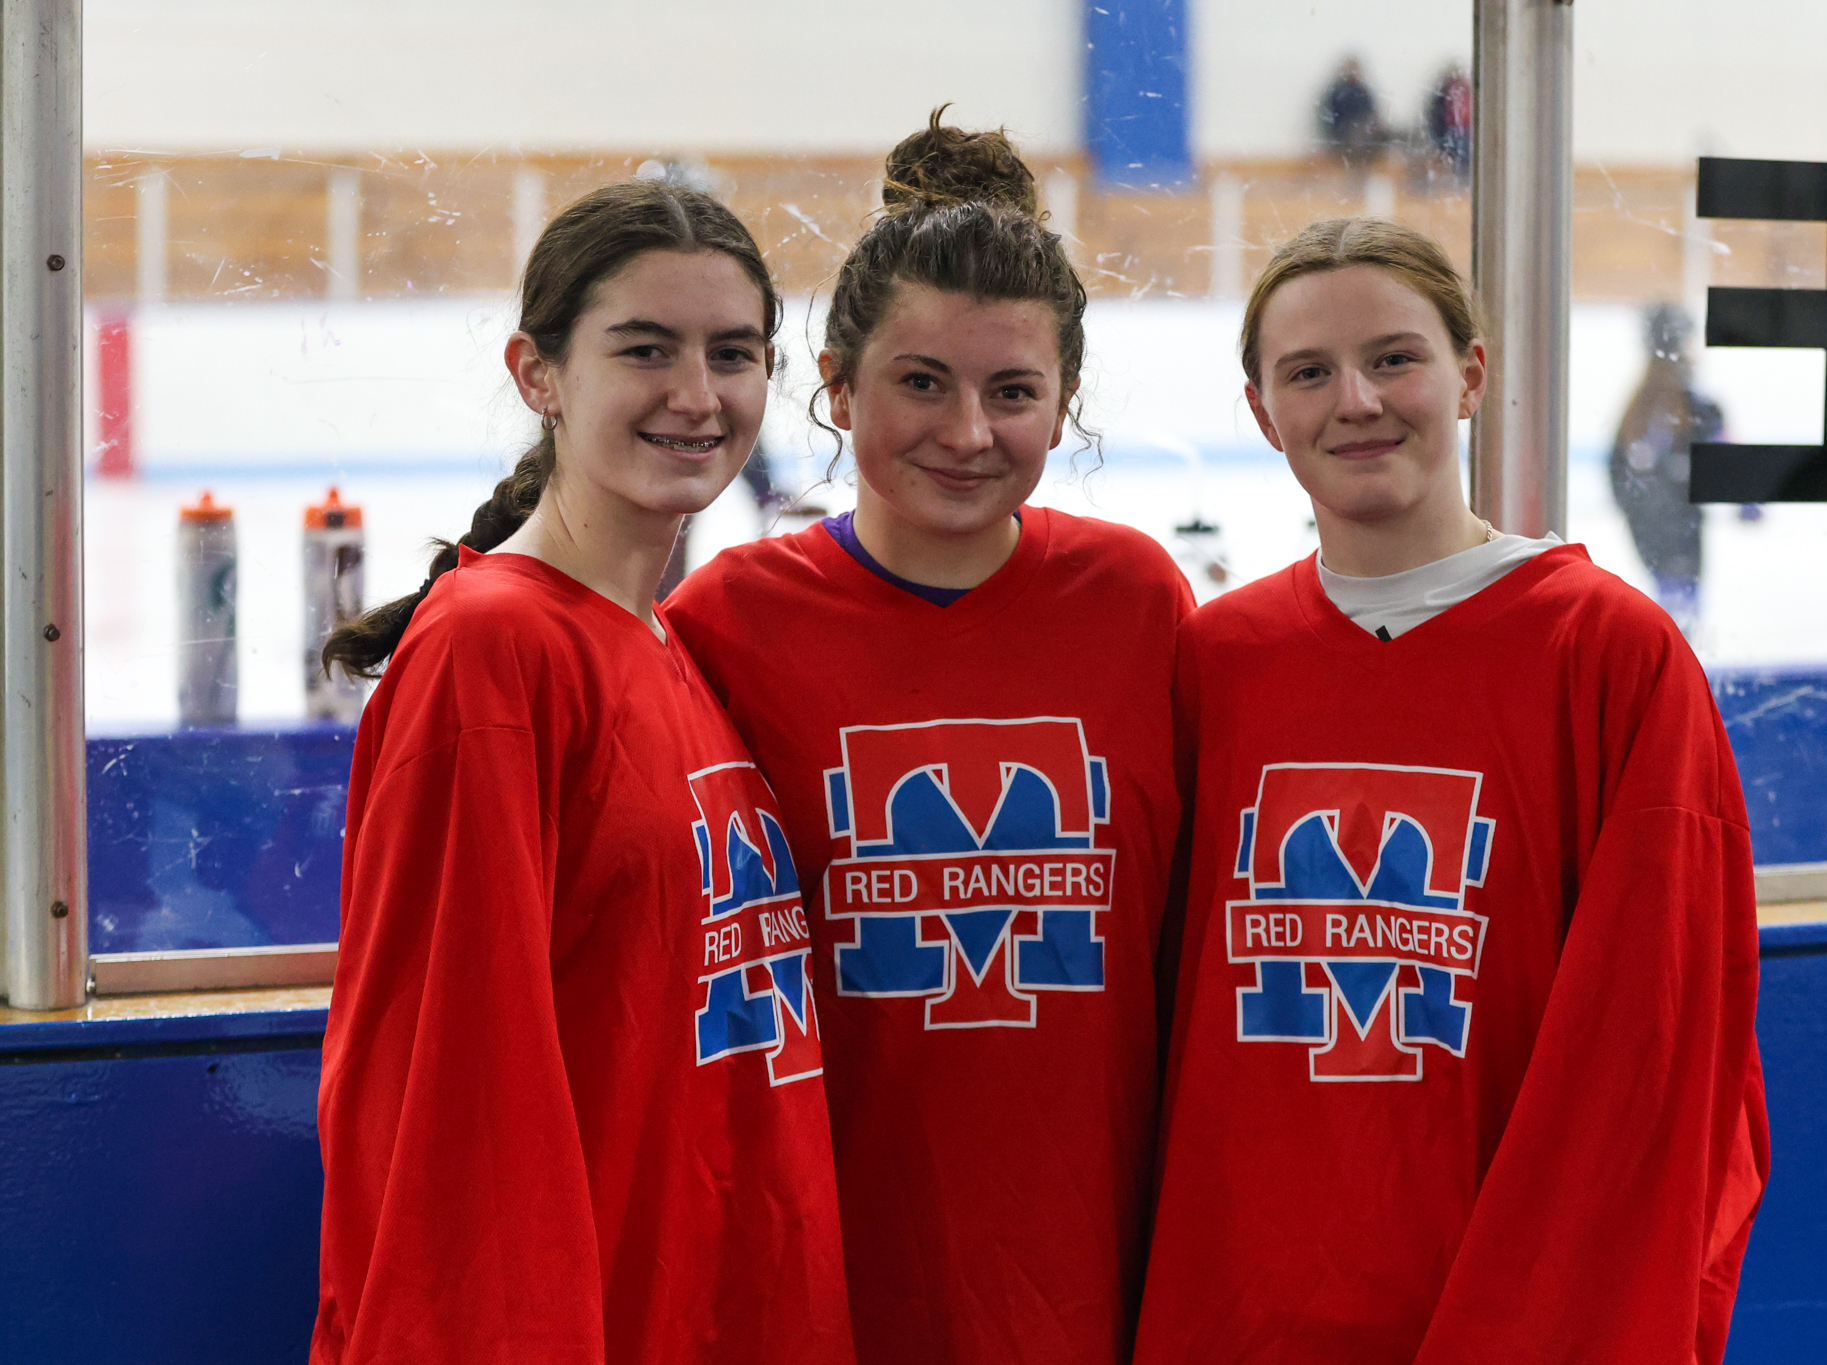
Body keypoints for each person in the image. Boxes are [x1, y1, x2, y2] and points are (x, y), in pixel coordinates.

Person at [1132, 219, 1769, 1364]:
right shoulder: (1214, 660)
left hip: (1506, 1308)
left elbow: (1655, 1059)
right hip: (1240, 1311)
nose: (1356, 401)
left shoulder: (1607, 656)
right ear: (1259, 408)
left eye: (1392, 358)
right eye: (1308, 373)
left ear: (1470, 375)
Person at [665, 111, 1193, 1364]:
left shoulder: (1138, 603)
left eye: (1012, 391)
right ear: (837, 385)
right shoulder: (724, 625)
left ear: (1064, 403)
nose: (968, 432)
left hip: (1093, 1285)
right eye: (920, 382)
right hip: (829, 1280)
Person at [312, 180, 854, 1365]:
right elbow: (453, 1094)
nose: (697, 395)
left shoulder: (667, 643)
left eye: (733, 353)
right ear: (537, 373)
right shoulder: (491, 651)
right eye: (644, 350)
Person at [1610, 302, 1725, 636]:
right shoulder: (1688, 409)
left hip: (1655, 527)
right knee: (1678, 610)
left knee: (1673, 604)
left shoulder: (1642, 409)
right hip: (1672, 528)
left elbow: (1619, 474)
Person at [1317, 57, 1387, 170]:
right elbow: (1328, 121)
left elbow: (1373, 115)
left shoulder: (1364, 92)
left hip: (1364, 138)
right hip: (1344, 138)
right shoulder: (1336, 93)